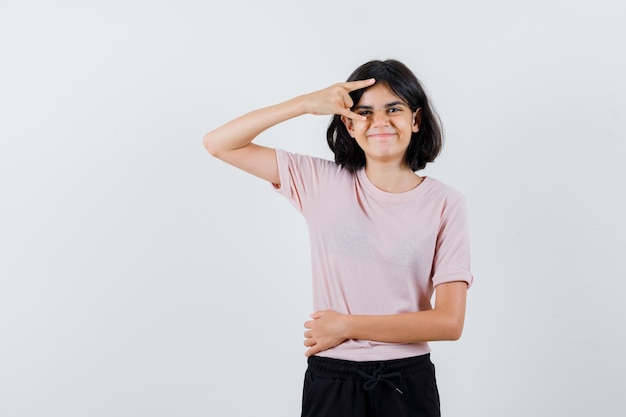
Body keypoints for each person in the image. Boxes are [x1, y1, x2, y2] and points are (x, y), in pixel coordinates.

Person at [203, 59, 473, 417]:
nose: (380, 122)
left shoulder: (445, 203)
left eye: (394, 109)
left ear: (416, 119)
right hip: (332, 380)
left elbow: (449, 323)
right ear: (348, 122)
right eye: (365, 112)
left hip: (407, 382)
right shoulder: (320, 181)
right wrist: (304, 103)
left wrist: (347, 325)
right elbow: (219, 143)